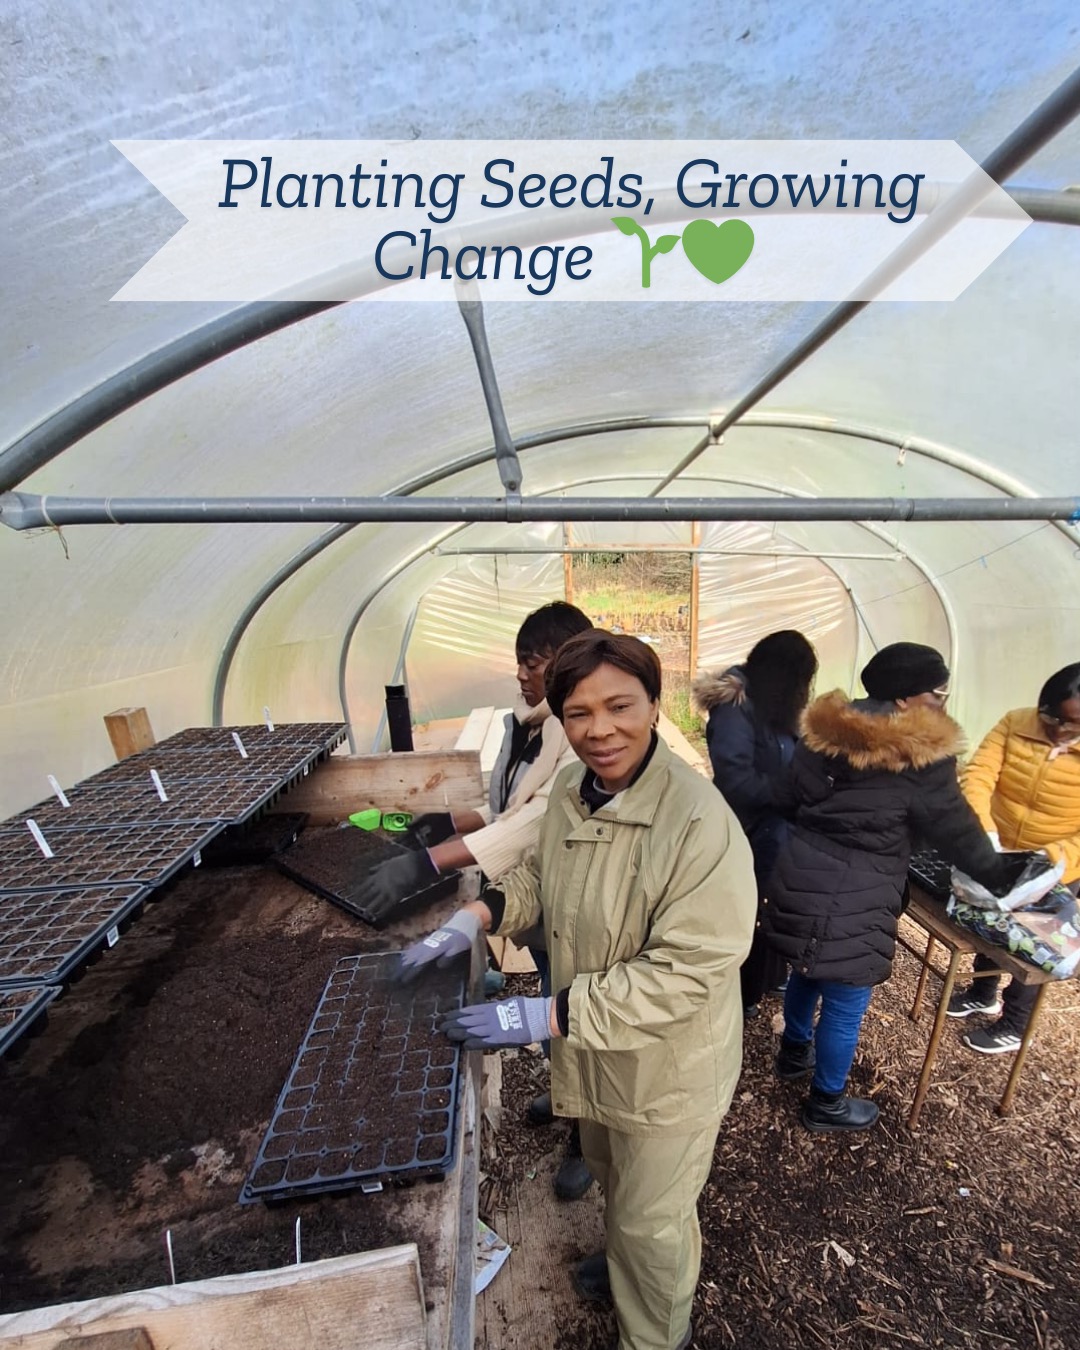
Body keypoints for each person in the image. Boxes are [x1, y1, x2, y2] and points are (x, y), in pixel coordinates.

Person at [400, 631, 756, 1350]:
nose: (600, 730)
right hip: (595, 1047)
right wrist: (480, 913)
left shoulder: (699, 824)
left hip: (668, 1067)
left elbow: (687, 971)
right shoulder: (570, 789)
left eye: (620, 705)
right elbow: (544, 875)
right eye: (579, 713)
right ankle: (628, 1267)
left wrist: (544, 1012)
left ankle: (658, 1333)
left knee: (653, 1218)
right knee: (610, 1174)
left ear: (655, 706)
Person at [356, 599, 596, 1198]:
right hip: (536, 904)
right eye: (519, 661)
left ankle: (586, 1140)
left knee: (575, 1010)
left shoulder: (578, 733)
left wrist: (430, 861)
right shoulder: (528, 726)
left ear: (566, 664)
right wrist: (435, 824)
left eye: (533, 663)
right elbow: (504, 808)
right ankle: (567, 1098)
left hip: (575, 903)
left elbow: (538, 821)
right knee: (552, 997)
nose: (521, 674)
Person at [765, 642, 1010, 1133]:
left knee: (807, 968)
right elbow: (956, 830)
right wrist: (1002, 878)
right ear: (904, 698)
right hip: (858, 889)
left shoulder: (821, 731)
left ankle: (793, 1053)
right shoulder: (918, 755)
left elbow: (787, 796)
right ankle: (826, 1104)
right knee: (846, 997)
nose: (942, 702)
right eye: (937, 692)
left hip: (800, 870)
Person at [946, 661, 1080, 1054]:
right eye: (1052, 717)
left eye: (1073, 725)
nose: (1059, 730)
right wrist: (985, 832)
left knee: (1034, 944)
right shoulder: (1015, 722)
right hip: (1001, 850)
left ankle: (1014, 1022)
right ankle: (981, 990)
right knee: (990, 923)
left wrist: (1051, 857)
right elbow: (979, 775)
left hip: (1056, 865)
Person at [693, 630, 818, 1016]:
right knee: (743, 911)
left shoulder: (775, 703)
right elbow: (736, 780)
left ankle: (762, 978)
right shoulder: (736, 706)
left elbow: (788, 755)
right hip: (745, 830)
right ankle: (739, 994)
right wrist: (791, 793)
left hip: (774, 832)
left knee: (769, 908)